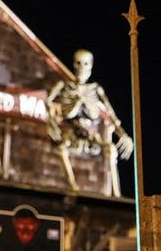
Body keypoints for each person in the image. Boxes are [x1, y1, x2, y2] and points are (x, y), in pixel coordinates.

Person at [46, 49, 133, 196]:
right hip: (71, 133)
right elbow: (48, 101)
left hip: (90, 133)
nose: (81, 68)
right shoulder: (64, 86)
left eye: (86, 64)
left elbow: (110, 115)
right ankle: (73, 188)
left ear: (91, 66)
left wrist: (123, 135)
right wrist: (50, 121)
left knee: (111, 150)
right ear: (73, 65)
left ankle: (117, 194)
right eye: (78, 63)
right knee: (62, 149)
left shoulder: (95, 89)